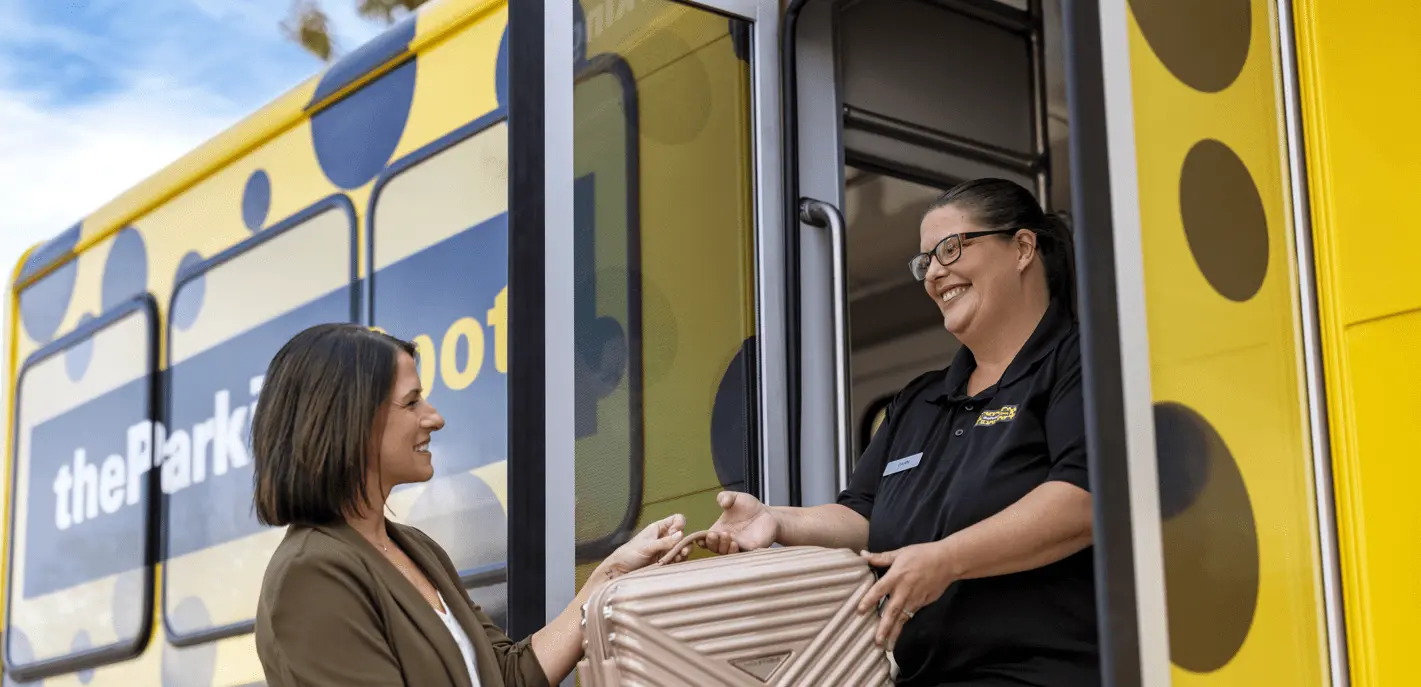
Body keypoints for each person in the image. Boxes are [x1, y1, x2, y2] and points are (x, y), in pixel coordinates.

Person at [705, 178, 1097, 686]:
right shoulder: (919, 400)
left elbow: (1084, 499)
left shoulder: (1077, 359)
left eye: (950, 248)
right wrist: (774, 519)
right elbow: (863, 513)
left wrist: (946, 560)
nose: (935, 272)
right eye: (925, 261)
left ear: (1022, 247)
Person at [251, 323, 688, 687]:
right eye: (411, 402)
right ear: (350, 422)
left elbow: (508, 674)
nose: (434, 417)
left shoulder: (414, 547)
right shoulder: (310, 573)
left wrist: (610, 576)